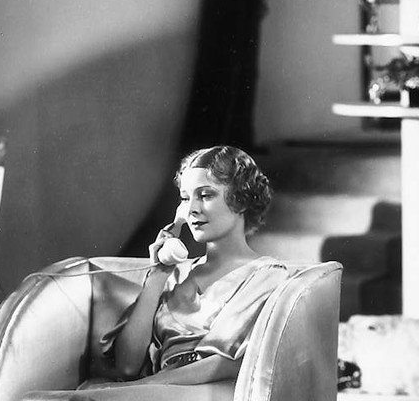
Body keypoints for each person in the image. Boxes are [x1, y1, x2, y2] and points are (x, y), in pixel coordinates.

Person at [74, 146, 289, 400]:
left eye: (205, 195)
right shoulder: (174, 276)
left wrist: (142, 387)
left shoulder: (269, 276)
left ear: (241, 199)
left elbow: (237, 362)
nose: (192, 209)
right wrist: (158, 275)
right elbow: (127, 366)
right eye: (185, 199)